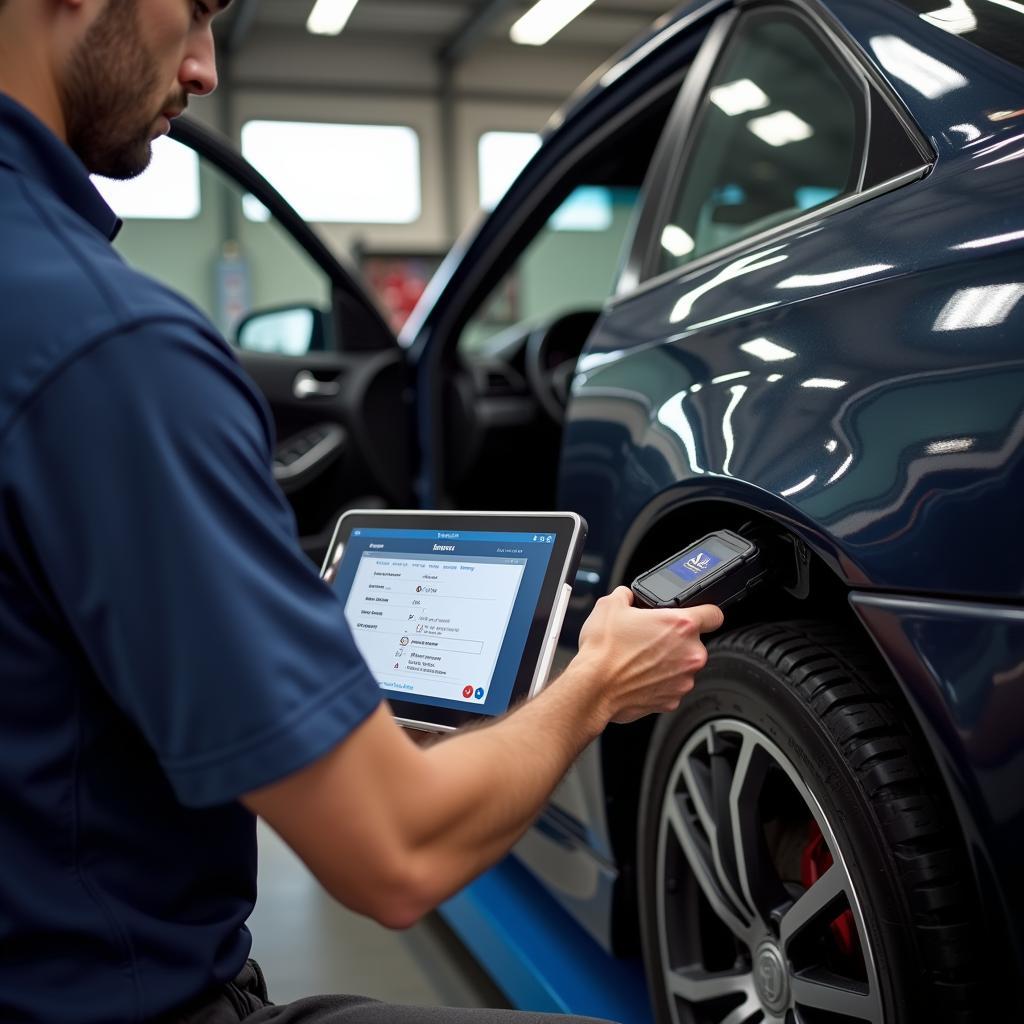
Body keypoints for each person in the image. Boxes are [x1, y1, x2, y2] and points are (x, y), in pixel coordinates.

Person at [0, 1, 724, 1022]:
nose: (205, 68)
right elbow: (396, 853)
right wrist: (597, 680)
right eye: (197, 9)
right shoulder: (112, 346)